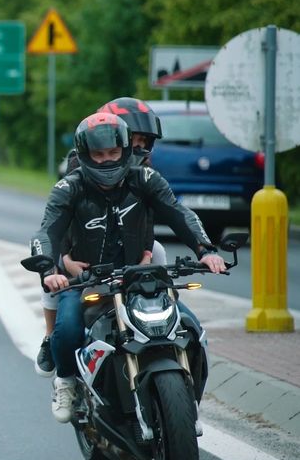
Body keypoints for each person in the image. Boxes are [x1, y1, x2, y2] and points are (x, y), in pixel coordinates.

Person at [30, 112, 223, 423]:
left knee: (191, 328)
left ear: (124, 150)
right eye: (98, 154)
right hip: (86, 280)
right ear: (85, 155)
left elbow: (178, 213)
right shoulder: (69, 187)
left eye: (113, 153)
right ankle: (66, 382)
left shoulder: (146, 179)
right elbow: (46, 232)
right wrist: (48, 270)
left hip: (139, 278)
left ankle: (188, 399)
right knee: (65, 330)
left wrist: (205, 249)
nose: (107, 161)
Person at [35, 97, 165, 377]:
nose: (140, 147)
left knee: (160, 251)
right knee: (51, 265)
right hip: (78, 252)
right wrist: (66, 258)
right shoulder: (78, 166)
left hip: (125, 252)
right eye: (135, 139)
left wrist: (144, 253)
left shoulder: (146, 170)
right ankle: (49, 338)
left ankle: (163, 313)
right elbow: (64, 223)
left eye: (145, 140)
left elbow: (146, 216)